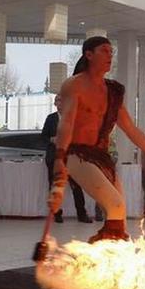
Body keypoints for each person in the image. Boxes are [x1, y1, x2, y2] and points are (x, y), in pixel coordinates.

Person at [48, 36, 145, 243]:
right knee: (116, 204)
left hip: (101, 157)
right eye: (104, 51)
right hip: (76, 153)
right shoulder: (74, 85)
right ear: (88, 55)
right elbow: (66, 125)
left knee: (118, 214)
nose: (110, 55)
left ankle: (105, 260)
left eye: (111, 52)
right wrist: (59, 168)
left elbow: (132, 131)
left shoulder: (112, 92)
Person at [42, 94, 93, 224]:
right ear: (55, 104)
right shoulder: (50, 119)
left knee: (77, 186)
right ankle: (57, 214)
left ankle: (82, 214)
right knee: (55, 186)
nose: (60, 103)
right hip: (54, 157)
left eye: (62, 101)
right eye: (57, 101)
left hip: (70, 157)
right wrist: (51, 139)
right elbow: (42, 137)